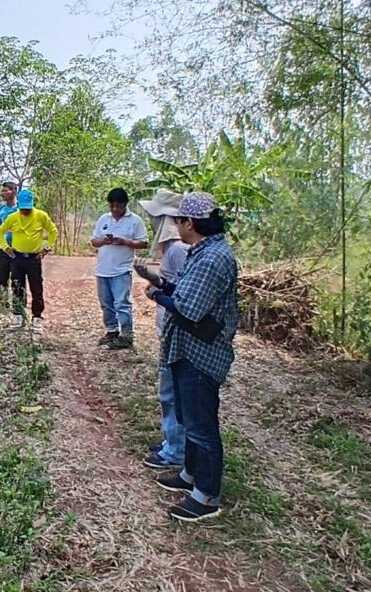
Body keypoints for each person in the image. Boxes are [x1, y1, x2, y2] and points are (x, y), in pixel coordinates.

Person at [143, 192, 239, 522]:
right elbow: (183, 291)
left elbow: (189, 308)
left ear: (190, 223)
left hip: (202, 353)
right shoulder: (202, 252)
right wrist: (164, 288)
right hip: (188, 349)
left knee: (201, 425)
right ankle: (189, 475)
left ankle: (206, 495)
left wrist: (158, 295)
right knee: (189, 417)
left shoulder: (212, 259)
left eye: (178, 221)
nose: (175, 227)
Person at [135, 189, 188, 470]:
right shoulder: (175, 250)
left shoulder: (178, 250)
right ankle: (171, 442)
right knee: (169, 392)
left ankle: (176, 450)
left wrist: (155, 293)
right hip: (169, 329)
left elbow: (182, 296)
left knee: (171, 393)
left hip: (175, 331)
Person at [90, 188, 149, 350]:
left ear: (125, 205)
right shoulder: (104, 219)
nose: (116, 209)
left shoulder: (135, 221)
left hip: (122, 269)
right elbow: (93, 242)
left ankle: (127, 335)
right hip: (103, 269)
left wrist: (125, 242)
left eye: (119, 206)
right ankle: (111, 331)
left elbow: (143, 243)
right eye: (112, 206)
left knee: (122, 303)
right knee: (106, 303)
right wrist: (103, 240)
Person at [0, 189, 58, 333]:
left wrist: (46, 247)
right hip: (16, 257)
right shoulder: (12, 217)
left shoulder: (41, 216)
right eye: (23, 208)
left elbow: (53, 231)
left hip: (33, 258)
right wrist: (5, 247)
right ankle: (19, 316)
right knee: (17, 287)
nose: (25, 211)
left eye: (27, 208)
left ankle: (37, 318)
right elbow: (0, 231)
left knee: (36, 288)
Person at [0, 182, 20, 310]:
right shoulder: (0, 209)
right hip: (3, 248)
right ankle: (4, 303)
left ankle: (19, 304)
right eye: (2, 191)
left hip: (18, 248)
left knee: (18, 277)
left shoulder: (21, 208)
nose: (2, 194)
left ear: (14, 191)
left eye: (5, 191)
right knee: (2, 276)